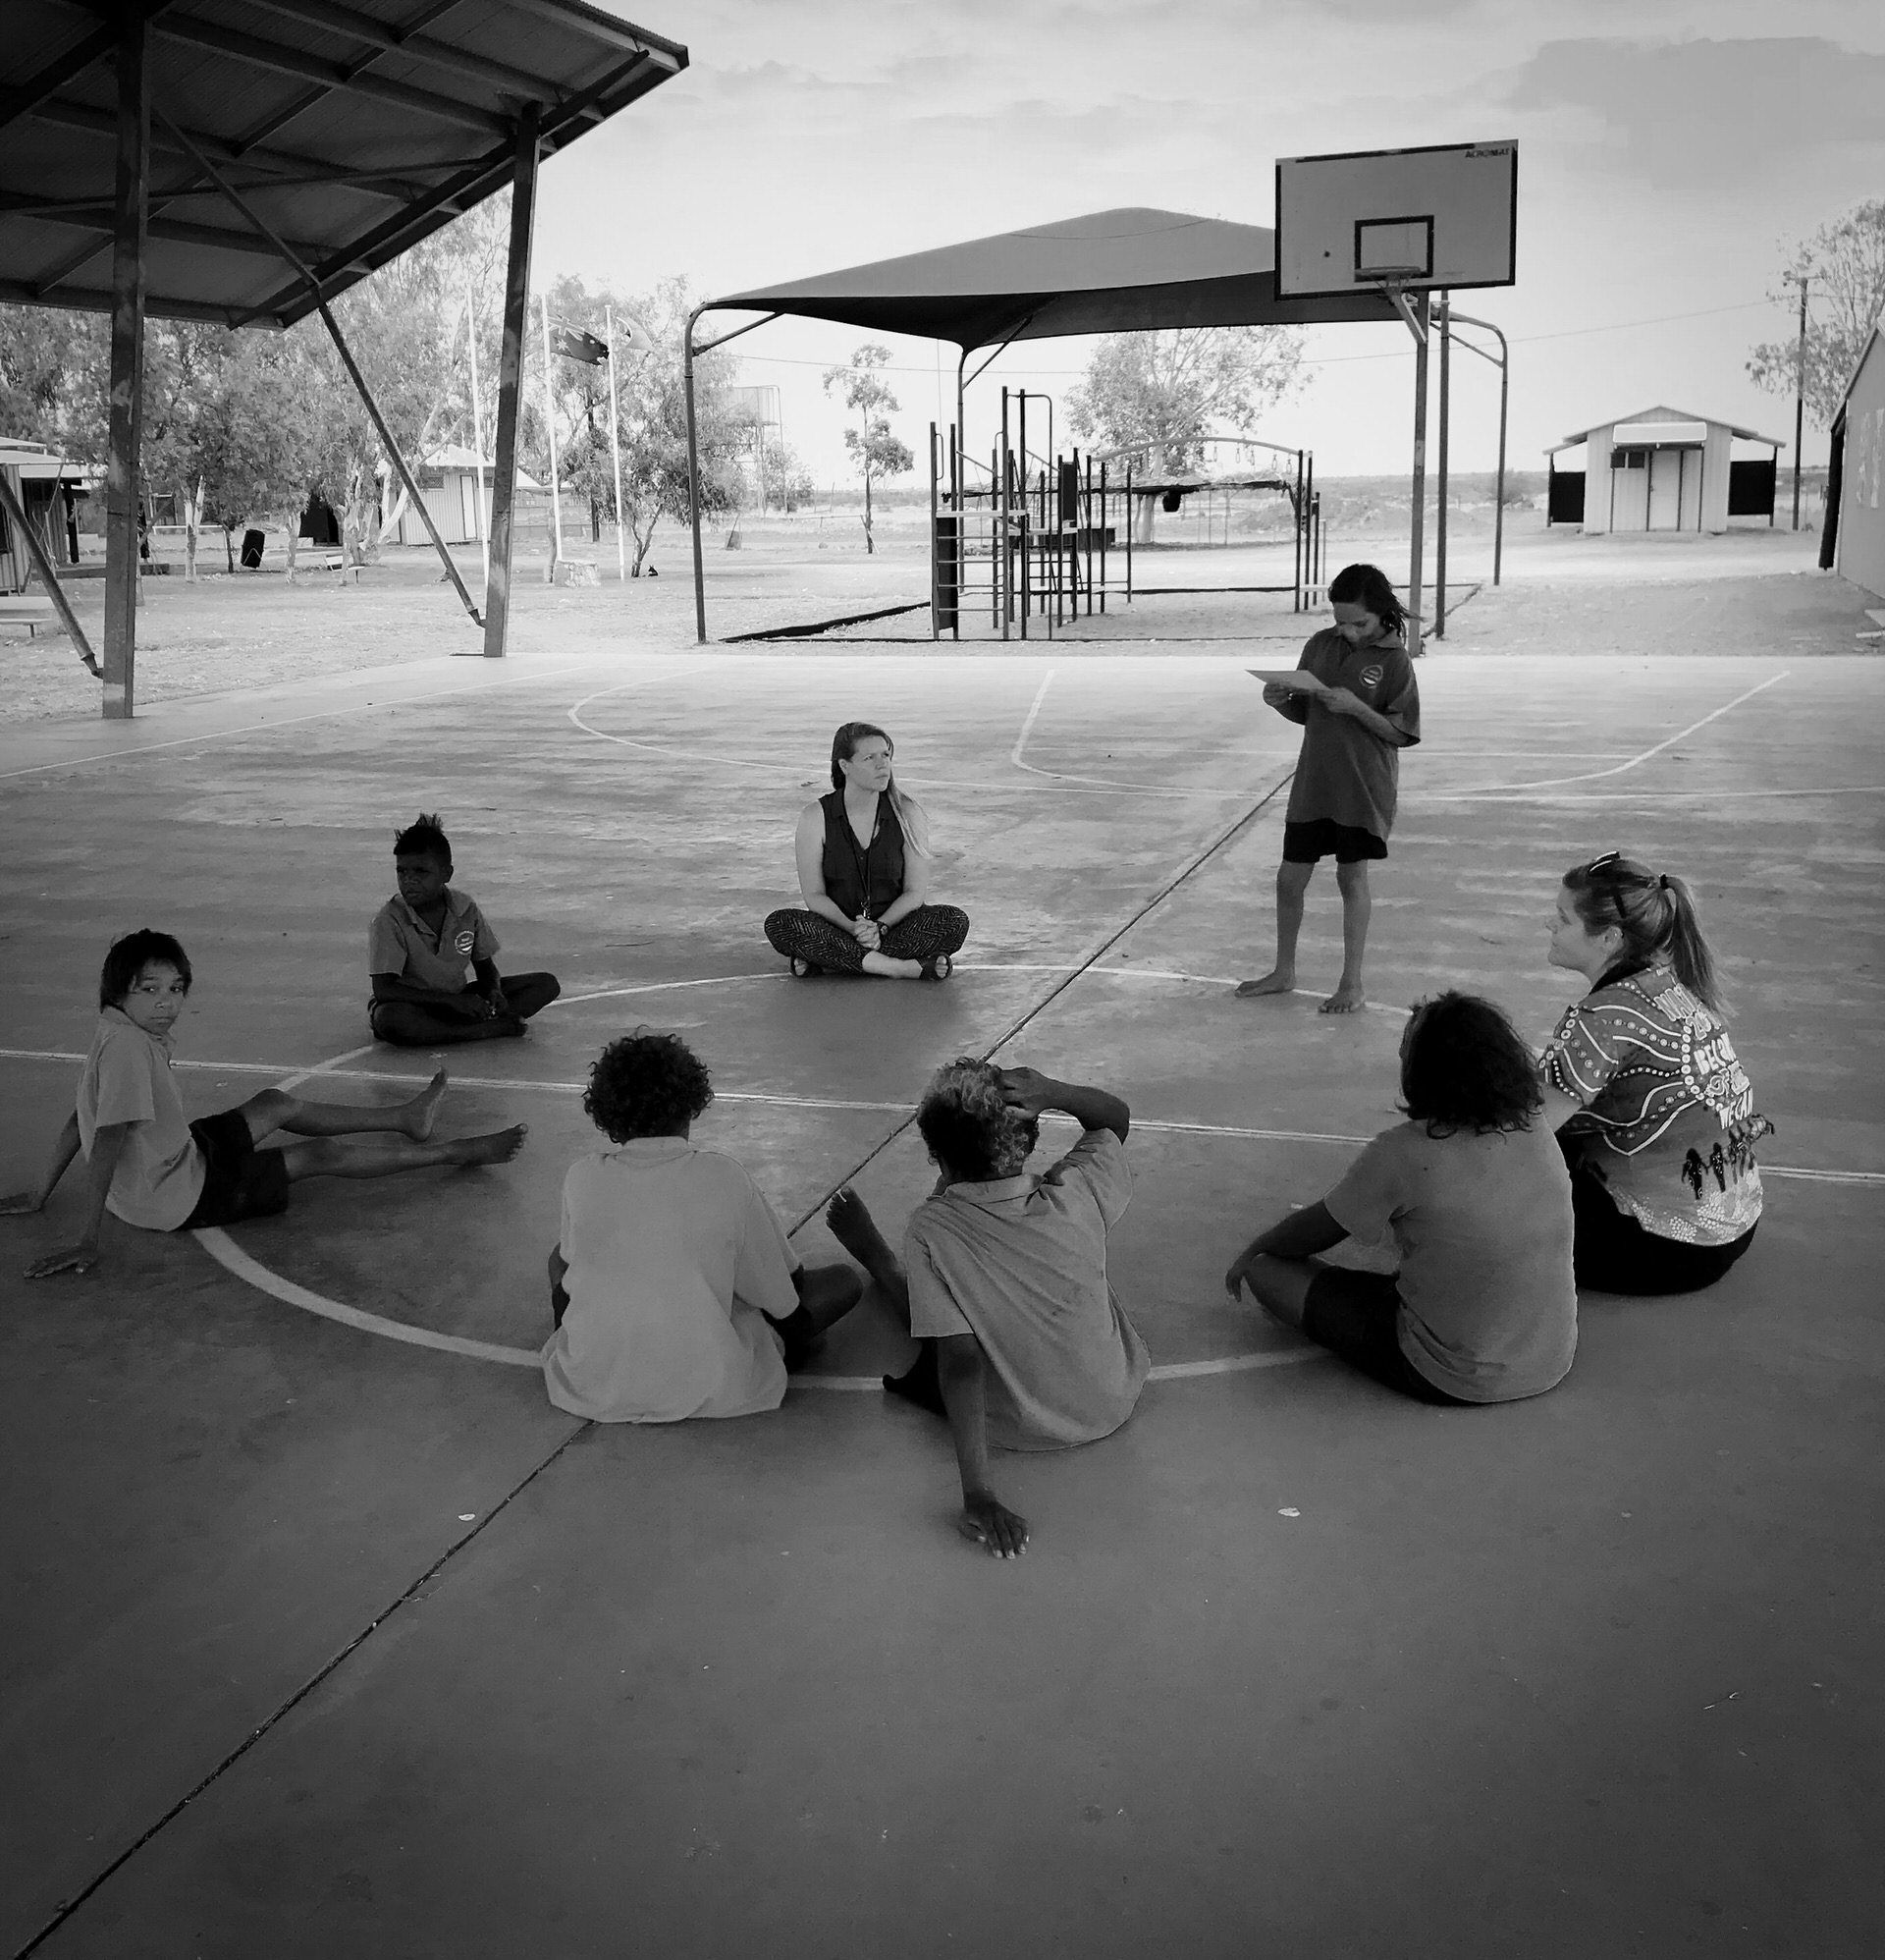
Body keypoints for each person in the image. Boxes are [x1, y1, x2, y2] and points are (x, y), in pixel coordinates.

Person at [2, 930, 526, 1278]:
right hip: (175, 1198)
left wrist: (39, 1192)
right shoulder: (128, 1052)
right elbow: (108, 1137)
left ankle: (406, 1118)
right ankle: (453, 1152)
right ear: (119, 992)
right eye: (151, 990)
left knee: (275, 1102)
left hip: (175, 1159)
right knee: (315, 1158)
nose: (167, 1003)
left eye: (177, 988)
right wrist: (86, 1237)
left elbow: (82, 1116)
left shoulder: (114, 1028)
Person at [824, 1061, 1149, 1558]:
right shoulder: (1077, 1189)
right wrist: (1055, 1090)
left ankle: (879, 1262)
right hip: (1114, 1397)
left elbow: (959, 1360)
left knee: (937, 1325)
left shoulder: (932, 1228)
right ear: (1030, 1136)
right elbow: (1114, 1122)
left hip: (1018, 1427)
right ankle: (887, 1260)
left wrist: (978, 1493)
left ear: (935, 1155)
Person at [1225, 992, 1578, 1404]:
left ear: (1424, 1073)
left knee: (1268, 1272)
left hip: (1452, 1374)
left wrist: (1251, 1252)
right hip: (1551, 1358)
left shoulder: (1403, 1151)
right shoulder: (1535, 1121)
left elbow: (1312, 1232)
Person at [542, 1030, 863, 1422]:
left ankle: (587, 1344)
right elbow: (787, 1292)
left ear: (606, 1113)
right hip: (714, 1382)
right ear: (690, 1104)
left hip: (589, 1384)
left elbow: (571, 1269)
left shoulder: (581, 1177)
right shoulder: (723, 1175)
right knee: (843, 1281)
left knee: (559, 1259)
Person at [1540, 852, 1768, 1293]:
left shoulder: (1605, 1016)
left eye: (1563, 918)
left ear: (1608, 938)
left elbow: (1526, 1132)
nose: (1550, 925)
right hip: (1732, 1224)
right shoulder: (1670, 987)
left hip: (1667, 1250)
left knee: (1490, 1204)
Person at [1236, 563, 1421, 1013]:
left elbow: (1402, 733)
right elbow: (1306, 713)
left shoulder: (1395, 659)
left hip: (1362, 787)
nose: (1349, 632)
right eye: (1341, 621)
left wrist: (1357, 707)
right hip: (1314, 783)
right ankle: (1284, 971)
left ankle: (1351, 983)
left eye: (1359, 623)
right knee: (1289, 878)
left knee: (1350, 876)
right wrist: (1279, 702)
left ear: (1380, 615)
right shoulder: (1320, 645)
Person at [764, 723, 969, 980]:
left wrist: (880, 928)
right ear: (844, 766)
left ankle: (834, 959)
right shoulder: (815, 817)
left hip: (893, 927)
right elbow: (814, 895)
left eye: (885, 755)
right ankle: (896, 967)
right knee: (781, 924)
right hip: (838, 925)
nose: (882, 764)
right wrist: (852, 927)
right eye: (869, 758)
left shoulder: (907, 813)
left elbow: (914, 892)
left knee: (953, 920)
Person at [369, 812, 561, 1046]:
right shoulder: (390, 919)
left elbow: (486, 967)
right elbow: (384, 990)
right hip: (415, 1004)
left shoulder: (465, 909)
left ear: (446, 874)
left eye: (421, 871)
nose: (409, 880)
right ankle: (479, 1031)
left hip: (458, 999)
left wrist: (493, 991)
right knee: (389, 1019)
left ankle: (454, 1027)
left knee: (545, 984)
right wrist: (450, 1002)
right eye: (402, 871)